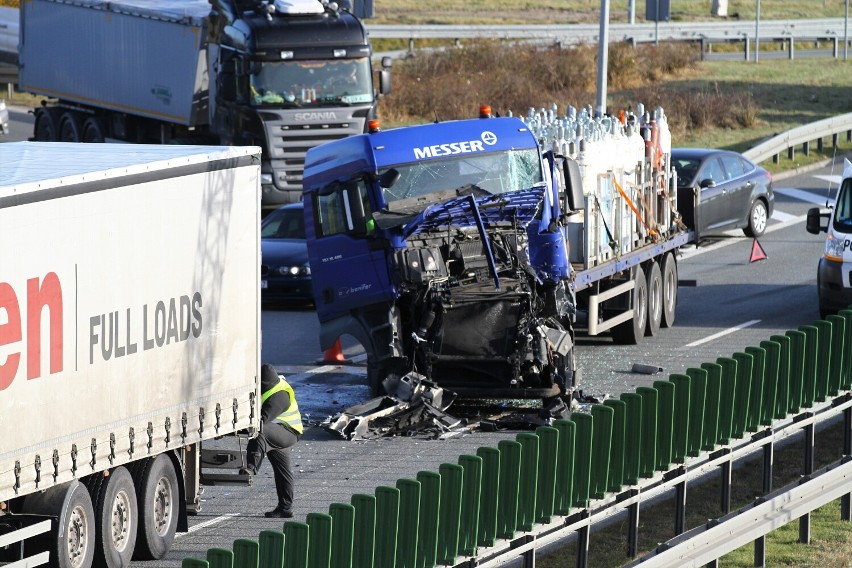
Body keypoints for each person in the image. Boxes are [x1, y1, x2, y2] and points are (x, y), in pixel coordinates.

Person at [241, 364, 303, 518]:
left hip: (288, 432)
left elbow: (261, 420)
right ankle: (285, 508)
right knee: (283, 470)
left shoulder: (279, 396)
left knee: (260, 431)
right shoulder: (273, 386)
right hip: (280, 431)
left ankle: (251, 467)